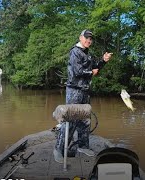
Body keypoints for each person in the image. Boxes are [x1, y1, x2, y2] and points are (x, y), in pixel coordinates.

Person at [54, 29, 113, 163]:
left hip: (85, 91)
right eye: (87, 38)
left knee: (85, 120)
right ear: (81, 38)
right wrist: (91, 72)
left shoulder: (87, 53)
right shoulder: (75, 51)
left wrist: (103, 60)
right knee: (70, 120)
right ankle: (58, 149)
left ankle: (83, 146)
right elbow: (77, 71)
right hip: (74, 90)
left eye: (91, 39)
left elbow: (95, 67)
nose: (89, 41)